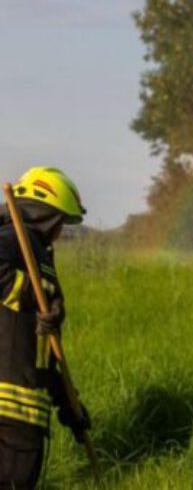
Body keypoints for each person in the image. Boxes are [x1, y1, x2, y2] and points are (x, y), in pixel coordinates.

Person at [0, 167, 92, 488]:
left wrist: (70, 407)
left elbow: (46, 352)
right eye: (61, 223)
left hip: (24, 415)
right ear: (46, 215)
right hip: (11, 415)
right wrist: (27, 293)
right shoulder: (13, 240)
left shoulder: (39, 259)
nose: (60, 233)